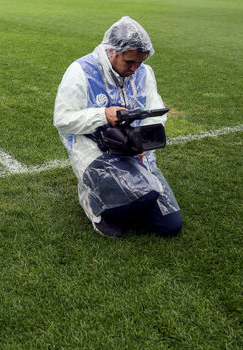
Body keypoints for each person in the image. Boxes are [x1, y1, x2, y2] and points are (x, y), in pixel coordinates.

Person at [54, 17, 182, 238]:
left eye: (139, 62)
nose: (134, 69)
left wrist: (141, 142)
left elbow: (155, 112)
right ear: (112, 51)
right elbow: (63, 119)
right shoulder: (81, 71)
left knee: (170, 225)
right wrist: (102, 115)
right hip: (94, 151)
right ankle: (95, 205)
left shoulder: (144, 73)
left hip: (134, 153)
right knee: (145, 195)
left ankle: (126, 197)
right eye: (129, 62)